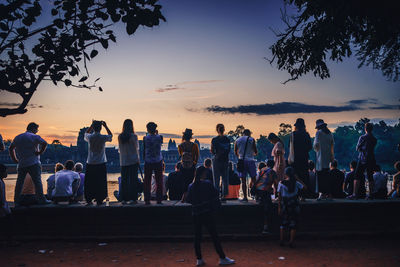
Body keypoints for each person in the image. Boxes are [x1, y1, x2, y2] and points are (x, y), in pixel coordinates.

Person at [186, 166, 235, 266]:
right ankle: (222, 257)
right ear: (203, 174)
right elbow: (215, 193)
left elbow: (189, 199)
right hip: (207, 212)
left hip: (196, 213)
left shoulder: (191, 186)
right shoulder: (207, 184)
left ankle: (199, 259)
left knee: (197, 237)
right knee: (214, 236)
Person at [9, 122, 50, 205]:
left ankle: (16, 201)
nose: (37, 131)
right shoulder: (35, 137)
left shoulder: (18, 137)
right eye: (36, 129)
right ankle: (42, 200)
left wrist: (15, 159)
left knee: (19, 183)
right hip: (34, 163)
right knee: (37, 182)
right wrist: (40, 152)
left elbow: (11, 148)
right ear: (33, 128)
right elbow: (45, 143)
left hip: (22, 164)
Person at [84, 120, 112, 205]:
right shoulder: (103, 137)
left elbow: (85, 133)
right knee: (100, 182)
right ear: (100, 128)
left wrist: (91, 126)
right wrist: (106, 126)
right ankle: (100, 198)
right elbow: (110, 136)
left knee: (90, 182)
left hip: (91, 162)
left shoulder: (90, 137)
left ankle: (89, 198)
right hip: (101, 162)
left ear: (93, 128)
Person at [348, 123, 377, 199]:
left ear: (365, 129)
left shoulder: (362, 137)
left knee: (357, 176)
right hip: (371, 159)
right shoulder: (374, 139)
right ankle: (371, 195)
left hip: (363, 159)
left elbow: (357, 148)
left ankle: (355, 194)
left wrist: (361, 149)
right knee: (370, 176)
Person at [277, 167, 304, 248]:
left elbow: (279, 196)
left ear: (285, 174)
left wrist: (279, 207)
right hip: (294, 204)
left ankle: (281, 240)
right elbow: (304, 187)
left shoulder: (281, 183)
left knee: (283, 223)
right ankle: (291, 241)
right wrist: (298, 179)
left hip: (285, 204)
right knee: (293, 223)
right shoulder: (296, 182)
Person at [288, 118, 312, 200]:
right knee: (304, 176)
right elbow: (310, 147)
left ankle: (296, 194)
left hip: (295, 159)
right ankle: (304, 195)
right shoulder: (307, 134)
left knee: (295, 176)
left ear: (296, 126)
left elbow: (290, 147)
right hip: (304, 158)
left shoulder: (293, 134)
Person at [118, 119, 140, 204]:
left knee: (124, 180)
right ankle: (133, 198)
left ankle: (124, 198)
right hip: (133, 160)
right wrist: (138, 160)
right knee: (133, 180)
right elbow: (136, 149)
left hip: (123, 161)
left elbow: (120, 150)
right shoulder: (134, 136)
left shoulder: (120, 136)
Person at [254, 159, 278, 234]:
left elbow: (256, 180)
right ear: (273, 165)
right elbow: (276, 184)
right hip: (265, 191)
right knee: (267, 208)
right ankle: (266, 227)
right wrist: (276, 194)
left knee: (262, 207)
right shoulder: (272, 172)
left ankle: (261, 226)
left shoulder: (262, 170)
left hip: (258, 191)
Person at [313, 119, 334, 201]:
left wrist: (317, 148)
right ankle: (328, 193)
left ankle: (321, 194)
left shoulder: (319, 133)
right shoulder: (330, 134)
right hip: (327, 158)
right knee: (326, 176)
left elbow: (315, 145)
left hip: (320, 158)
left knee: (320, 176)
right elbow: (332, 146)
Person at [234, 129, 258, 202]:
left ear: (243, 133)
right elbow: (256, 151)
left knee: (243, 180)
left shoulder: (237, 140)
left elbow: (235, 151)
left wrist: (240, 155)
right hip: (251, 161)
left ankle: (245, 198)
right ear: (249, 134)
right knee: (254, 180)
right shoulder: (252, 139)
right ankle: (257, 196)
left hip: (241, 160)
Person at [143, 122, 163, 205]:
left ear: (147, 129)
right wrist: (156, 133)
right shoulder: (160, 137)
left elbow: (144, 149)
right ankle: (159, 199)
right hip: (158, 160)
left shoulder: (145, 138)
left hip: (148, 161)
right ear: (155, 129)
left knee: (147, 181)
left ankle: (147, 199)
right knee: (159, 180)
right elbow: (160, 142)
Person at [210, 124, 231, 202]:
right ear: (224, 130)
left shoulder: (214, 140)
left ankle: (217, 196)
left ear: (217, 130)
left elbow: (212, 151)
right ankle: (224, 196)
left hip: (217, 160)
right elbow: (229, 150)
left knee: (216, 179)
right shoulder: (227, 139)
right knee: (225, 179)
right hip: (225, 160)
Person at [178, 129, 200, 202]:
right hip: (191, 165)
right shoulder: (194, 145)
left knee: (184, 181)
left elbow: (181, 155)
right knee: (191, 181)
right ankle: (191, 197)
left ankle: (183, 197)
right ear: (191, 137)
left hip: (183, 165)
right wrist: (194, 163)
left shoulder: (180, 146)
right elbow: (197, 156)